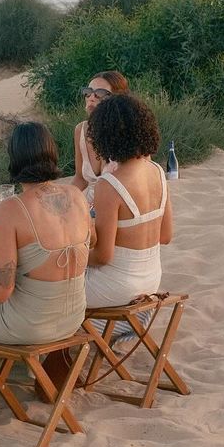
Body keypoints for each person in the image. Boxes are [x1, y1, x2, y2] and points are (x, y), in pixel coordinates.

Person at [0, 122, 91, 414]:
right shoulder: (76, 196)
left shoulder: (12, 209)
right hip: (73, 316)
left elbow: (1, 292)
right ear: (51, 152)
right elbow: (91, 241)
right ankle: (15, 375)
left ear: (14, 157)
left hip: (31, 326)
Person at [85, 94, 174, 343]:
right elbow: (165, 236)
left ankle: (55, 359)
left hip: (117, 288)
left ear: (105, 136)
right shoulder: (157, 171)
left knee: (53, 282)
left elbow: (103, 256)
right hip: (150, 280)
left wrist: (75, 257)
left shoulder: (109, 184)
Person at [72, 70, 130, 204]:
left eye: (100, 93)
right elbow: (80, 178)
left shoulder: (127, 132)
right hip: (89, 206)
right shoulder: (81, 130)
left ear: (117, 98)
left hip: (118, 205)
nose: (91, 97)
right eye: (88, 92)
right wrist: (65, 199)